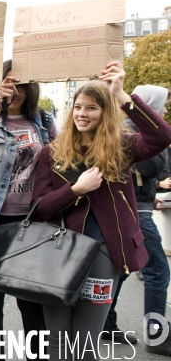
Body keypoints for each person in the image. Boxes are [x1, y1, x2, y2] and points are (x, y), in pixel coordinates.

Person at [32, 62, 171, 360]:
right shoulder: (51, 152)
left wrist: (122, 94)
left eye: (92, 108)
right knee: (57, 344)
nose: (82, 113)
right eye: (78, 107)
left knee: (85, 345)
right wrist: (76, 190)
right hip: (57, 255)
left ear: (104, 112)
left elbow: (161, 136)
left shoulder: (123, 148)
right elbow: (39, 207)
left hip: (104, 257)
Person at [0, 60, 57, 359]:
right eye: (6, 83)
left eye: (19, 84)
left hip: (32, 221)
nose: (13, 90)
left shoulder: (43, 121)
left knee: (32, 301)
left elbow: (64, 159)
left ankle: (37, 354)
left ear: (31, 88)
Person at [100, 85, 171, 353]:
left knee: (125, 269)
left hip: (136, 206)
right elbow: (152, 165)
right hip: (136, 211)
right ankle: (156, 335)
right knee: (156, 271)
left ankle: (106, 322)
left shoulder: (126, 128)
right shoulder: (132, 132)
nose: (164, 111)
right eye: (162, 105)